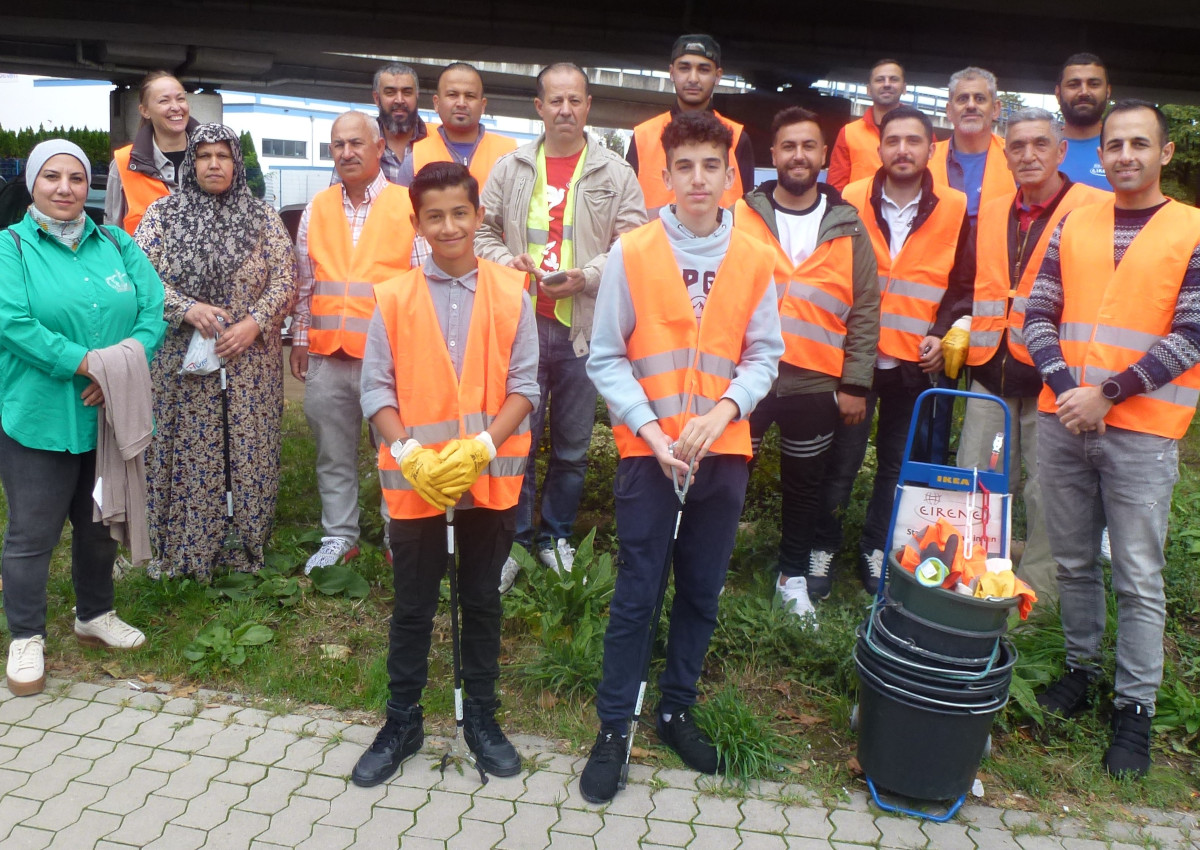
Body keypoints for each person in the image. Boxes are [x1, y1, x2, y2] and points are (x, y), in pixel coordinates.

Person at [580, 112, 782, 803]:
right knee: (637, 592)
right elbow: (606, 357)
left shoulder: (754, 257)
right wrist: (652, 430)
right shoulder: (633, 253)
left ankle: (676, 711)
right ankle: (614, 728)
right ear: (663, 176)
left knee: (700, 588)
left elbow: (764, 355)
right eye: (685, 167)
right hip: (649, 454)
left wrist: (724, 413)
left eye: (711, 167)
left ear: (731, 176)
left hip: (721, 453)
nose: (699, 180)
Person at [1024, 100, 1200, 779]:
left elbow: (1191, 334)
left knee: (1138, 577)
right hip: (1064, 420)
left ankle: (1134, 710)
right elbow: (1038, 310)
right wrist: (1070, 387)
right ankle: (1079, 670)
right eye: (1114, 145)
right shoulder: (1076, 219)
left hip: (1143, 432)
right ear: (1099, 153)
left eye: (1138, 143)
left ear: (1165, 154)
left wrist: (1110, 393)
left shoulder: (1190, 229)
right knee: (1071, 562)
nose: (1125, 155)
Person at [353, 161, 538, 787]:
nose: (450, 225)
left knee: (481, 601)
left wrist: (483, 445)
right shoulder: (394, 296)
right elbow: (376, 388)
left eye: (461, 212)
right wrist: (408, 453)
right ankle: (402, 719)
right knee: (412, 606)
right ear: (417, 223)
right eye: (435, 215)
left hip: (488, 482)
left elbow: (526, 387)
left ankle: (480, 716)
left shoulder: (514, 292)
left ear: (478, 214)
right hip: (414, 484)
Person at [0, 140, 166, 696]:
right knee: (32, 533)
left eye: (76, 177)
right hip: (40, 416)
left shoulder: (116, 242)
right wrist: (90, 368)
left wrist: (120, 367)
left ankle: (93, 614)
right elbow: (15, 324)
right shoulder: (11, 249)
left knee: (98, 525)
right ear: (32, 183)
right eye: (52, 177)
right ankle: (26, 635)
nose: (66, 188)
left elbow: (152, 311)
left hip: (105, 419)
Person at [476, 62, 645, 590]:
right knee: (518, 441)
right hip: (519, 331)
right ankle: (517, 541)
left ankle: (556, 537)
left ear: (588, 106)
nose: (565, 110)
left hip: (583, 333)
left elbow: (633, 245)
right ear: (539, 107)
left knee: (572, 445)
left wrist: (588, 276)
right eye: (556, 101)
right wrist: (509, 262)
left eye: (575, 100)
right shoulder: (511, 168)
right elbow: (480, 233)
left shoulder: (616, 173)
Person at [134, 124, 297, 580]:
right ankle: (181, 547)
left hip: (249, 365)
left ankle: (245, 542)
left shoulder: (262, 217)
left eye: (223, 155)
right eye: (202, 155)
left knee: (248, 448)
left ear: (236, 163)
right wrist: (186, 309)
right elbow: (141, 280)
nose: (213, 164)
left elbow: (286, 281)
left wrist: (253, 323)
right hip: (181, 364)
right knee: (186, 449)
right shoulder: (163, 215)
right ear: (190, 163)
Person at [733, 107, 880, 613]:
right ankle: (703, 564)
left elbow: (865, 307)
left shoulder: (848, 226)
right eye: (788, 146)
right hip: (745, 377)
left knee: (804, 488)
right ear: (773, 156)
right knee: (724, 474)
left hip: (815, 383)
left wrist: (856, 383)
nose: (799, 155)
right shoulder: (741, 215)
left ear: (823, 155)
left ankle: (792, 579)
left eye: (808, 146)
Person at [959, 108, 1107, 603]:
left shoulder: (1094, 208)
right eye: (1017, 146)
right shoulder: (993, 209)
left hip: (1055, 377)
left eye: (1040, 144)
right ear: (1006, 154)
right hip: (989, 370)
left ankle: (1041, 594)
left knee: (1051, 492)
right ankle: (974, 579)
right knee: (978, 481)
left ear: (1062, 150)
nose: (1028, 154)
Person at [836, 105, 974, 593]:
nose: (902, 150)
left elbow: (964, 283)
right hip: (856, 358)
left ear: (929, 148)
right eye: (893, 141)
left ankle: (876, 549)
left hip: (915, 365)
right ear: (880, 148)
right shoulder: (850, 198)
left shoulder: (955, 207)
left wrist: (944, 330)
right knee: (842, 461)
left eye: (913, 141)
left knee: (896, 466)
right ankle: (822, 549)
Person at [291, 112, 417, 573]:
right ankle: (339, 536)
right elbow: (306, 283)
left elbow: (422, 287)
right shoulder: (317, 208)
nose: (346, 152)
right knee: (332, 452)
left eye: (356, 143)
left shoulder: (408, 205)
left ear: (378, 147)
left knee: (397, 450)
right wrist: (301, 339)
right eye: (338, 145)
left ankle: (398, 532)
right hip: (330, 356)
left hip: (391, 361)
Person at [628, 35, 756, 218]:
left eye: (703, 69)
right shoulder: (643, 136)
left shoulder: (737, 137)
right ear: (672, 72)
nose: (693, 78)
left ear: (717, 75)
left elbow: (749, 212)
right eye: (684, 68)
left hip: (721, 246)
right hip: (654, 245)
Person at [105, 71, 200, 234]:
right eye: (164, 101)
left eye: (180, 98)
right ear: (145, 111)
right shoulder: (123, 163)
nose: (176, 107)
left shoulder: (214, 156)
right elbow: (112, 235)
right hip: (140, 260)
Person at [398, 62, 518, 189]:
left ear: (483, 105)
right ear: (436, 103)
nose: (461, 103)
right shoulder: (415, 159)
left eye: (469, 96)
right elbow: (402, 208)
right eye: (452, 95)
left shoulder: (511, 154)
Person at [929, 67, 1014, 221]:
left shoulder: (1015, 158)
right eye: (962, 99)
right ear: (949, 111)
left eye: (980, 98)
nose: (971, 105)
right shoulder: (927, 159)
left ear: (995, 109)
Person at [827, 59, 907, 192]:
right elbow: (836, 188)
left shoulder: (921, 132)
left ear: (904, 88)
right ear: (869, 90)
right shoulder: (849, 133)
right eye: (880, 80)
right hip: (858, 212)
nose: (887, 84)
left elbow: (931, 179)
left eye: (893, 79)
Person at [1055, 54, 1112, 190]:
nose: (1084, 92)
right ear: (1058, 93)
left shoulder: (1124, 150)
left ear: (1108, 92)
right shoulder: (1036, 151)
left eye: (1094, 84)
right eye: (1073, 85)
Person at [373, 62, 428, 183]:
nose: (399, 100)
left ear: (417, 96)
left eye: (407, 92)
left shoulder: (438, 141)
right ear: (377, 99)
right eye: (390, 92)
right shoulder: (360, 145)